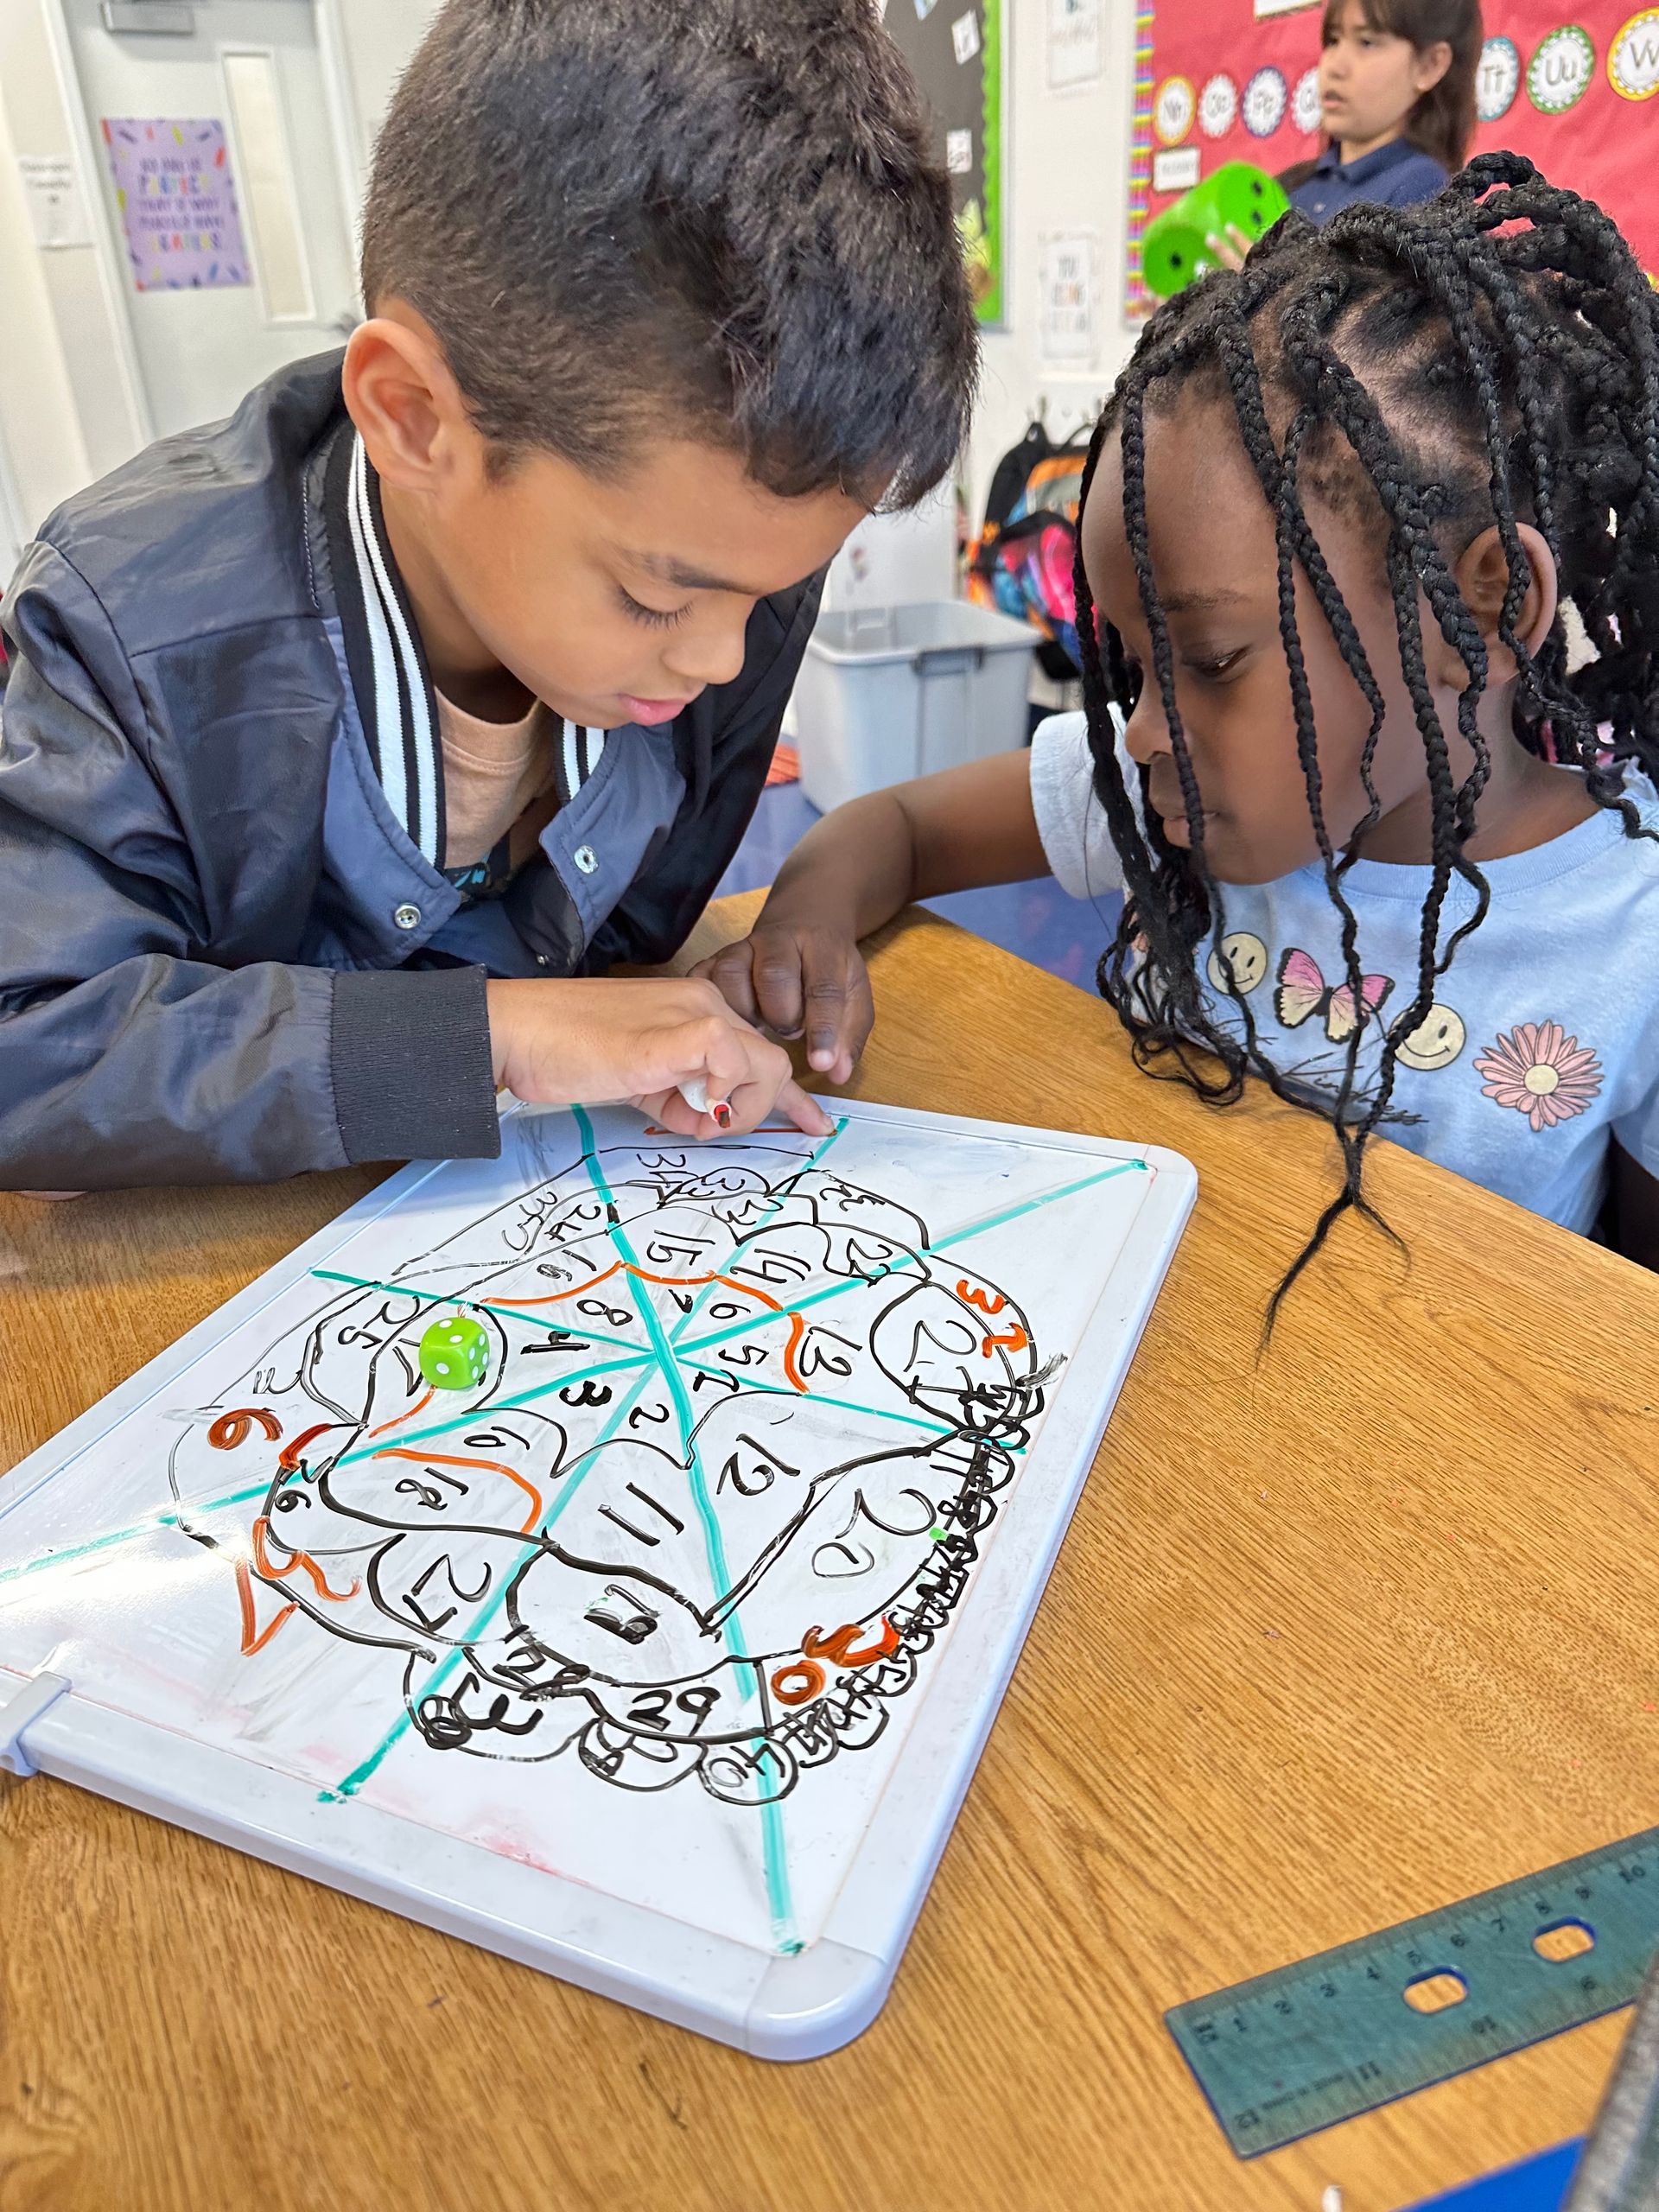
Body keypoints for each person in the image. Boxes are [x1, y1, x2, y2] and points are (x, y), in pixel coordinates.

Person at [0, 0, 976, 1189]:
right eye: (656, 596)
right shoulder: (132, 620)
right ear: (412, 419)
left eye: (773, 589)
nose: (725, 660)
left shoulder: (734, 575)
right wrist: (501, 1035)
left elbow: (631, 942)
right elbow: (28, 1049)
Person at [702, 160, 1659, 1306]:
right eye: (1133, 663)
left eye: (1208, 664)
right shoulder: (1161, 807)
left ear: (1487, 607)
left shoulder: (1631, 930)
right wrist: (803, 930)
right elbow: (890, 826)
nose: (1145, 731)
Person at [1208, 0, 1480, 269]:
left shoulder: (1423, 189)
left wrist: (1260, 296)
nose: (1334, 67)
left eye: (1367, 42)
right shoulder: (1292, 184)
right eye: (1333, 40)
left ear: (1430, 65)